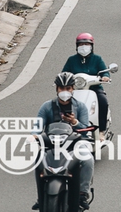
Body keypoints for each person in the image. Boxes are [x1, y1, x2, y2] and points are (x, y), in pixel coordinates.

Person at [33, 72, 93, 210]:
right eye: (61, 88)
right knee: (38, 160)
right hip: (51, 144)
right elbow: (37, 126)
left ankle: (83, 194)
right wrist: (33, 136)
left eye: (68, 88)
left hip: (74, 143)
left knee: (88, 160)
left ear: (73, 89)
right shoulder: (46, 106)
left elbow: (85, 128)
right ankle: (40, 196)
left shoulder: (81, 107)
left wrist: (74, 122)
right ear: (57, 89)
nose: (65, 92)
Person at [61, 33, 110, 136]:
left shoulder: (97, 59)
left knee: (103, 102)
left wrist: (105, 77)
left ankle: (101, 130)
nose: (84, 47)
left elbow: (104, 72)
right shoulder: (72, 60)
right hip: (75, 90)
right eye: (81, 44)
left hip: (94, 88)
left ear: (91, 46)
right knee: (62, 103)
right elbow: (64, 73)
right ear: (77, 46)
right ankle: (64, 129)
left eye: (86, 44)